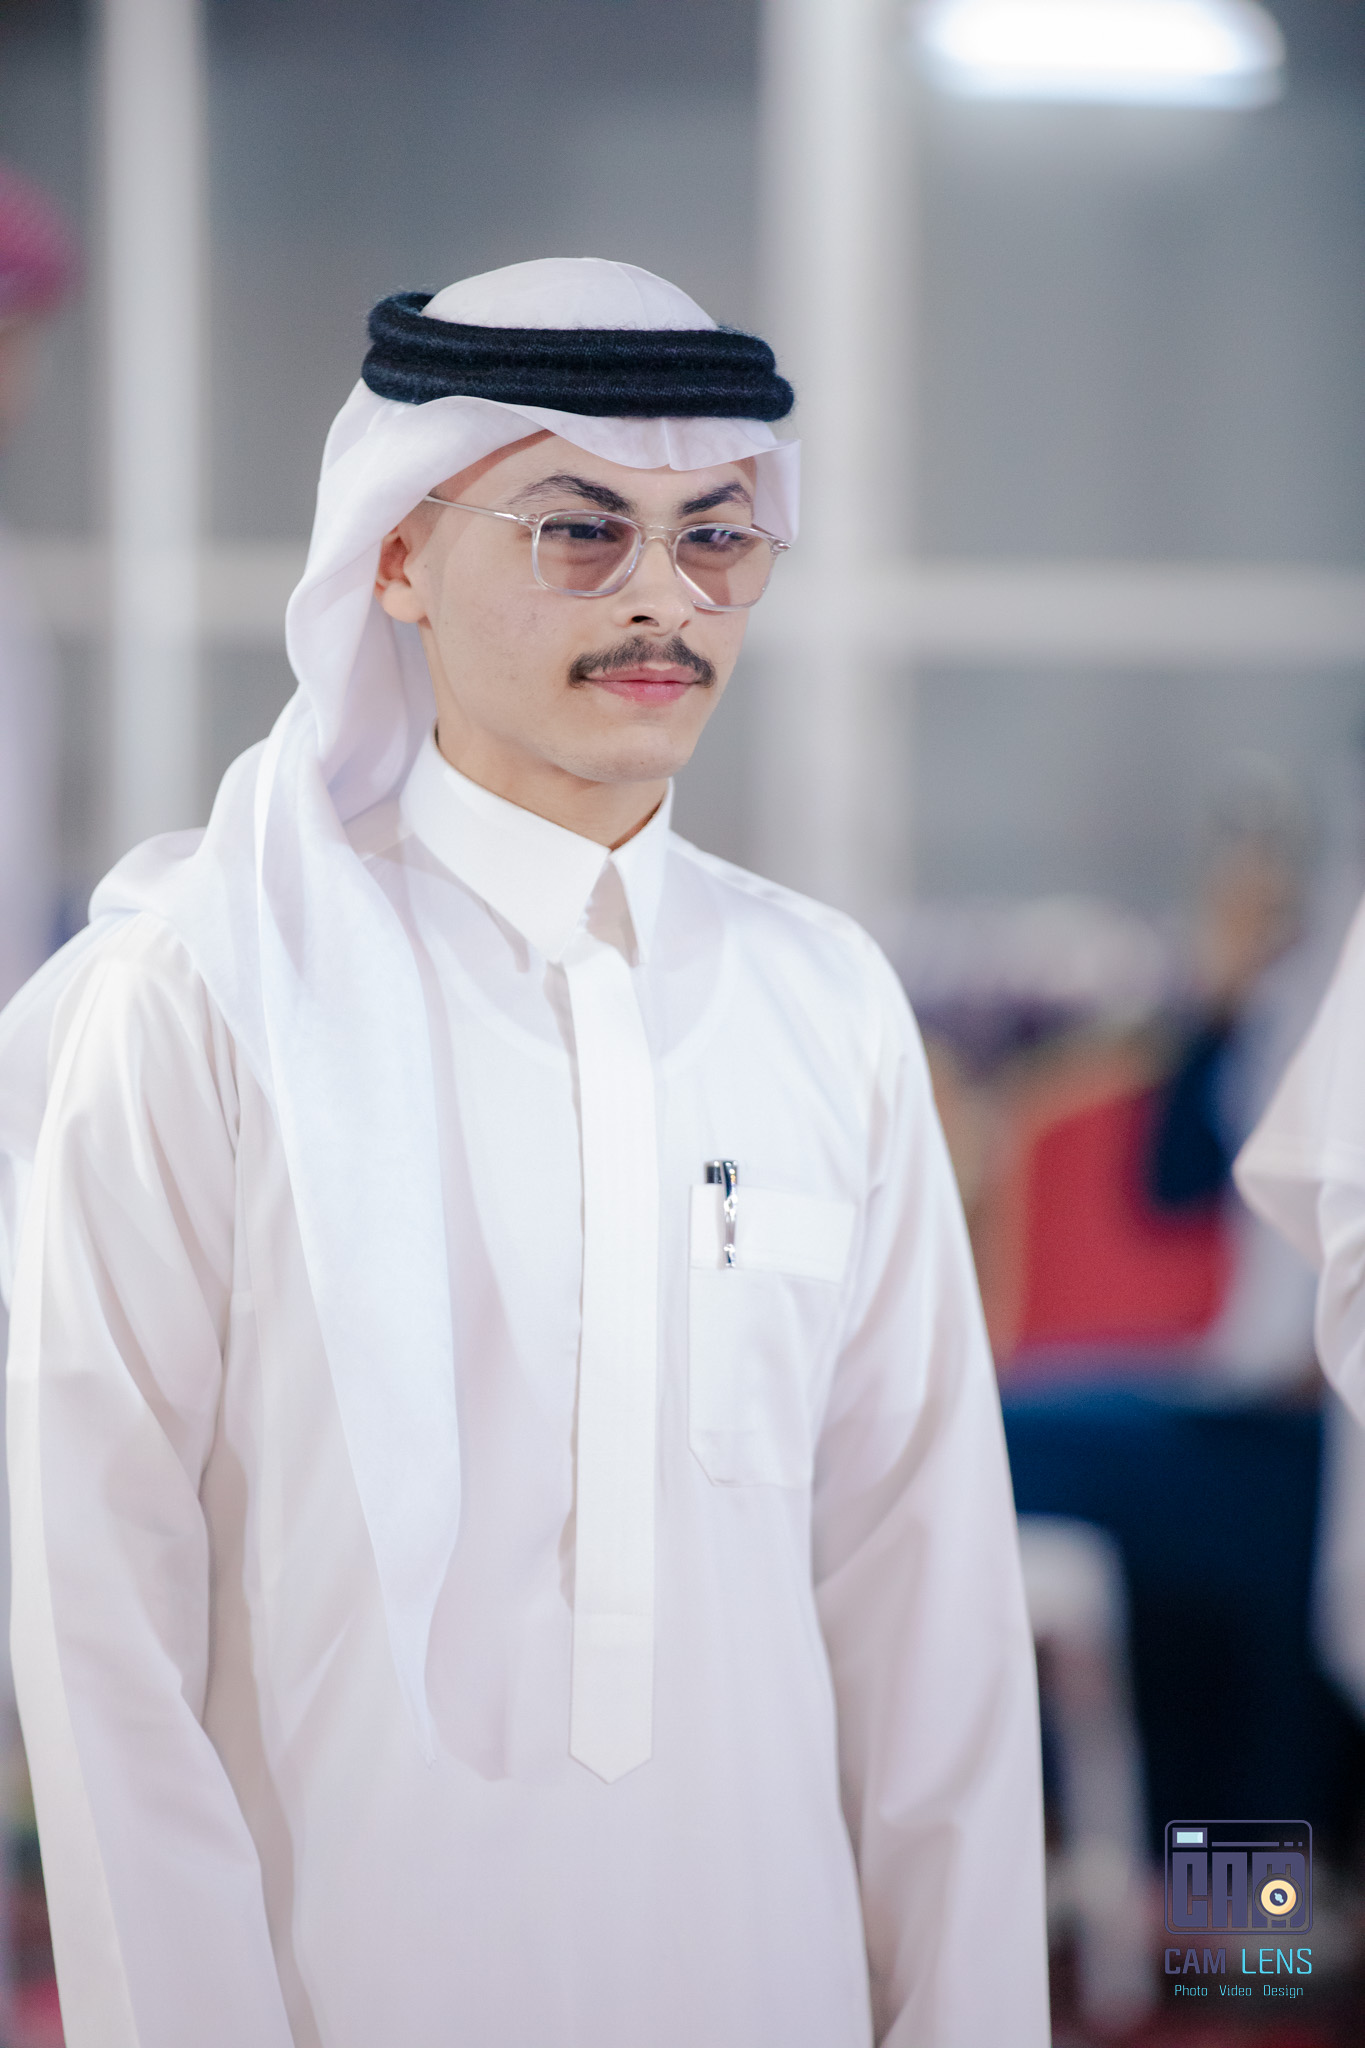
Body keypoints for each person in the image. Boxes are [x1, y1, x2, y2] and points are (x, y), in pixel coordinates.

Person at [0, 258, 1047, 2048]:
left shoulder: (825, 1004)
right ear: (395, 555)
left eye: (715, 540)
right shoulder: (201, 997)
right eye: (579, 531)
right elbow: (98, 1630)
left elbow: (926, 1615)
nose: (660, 600)